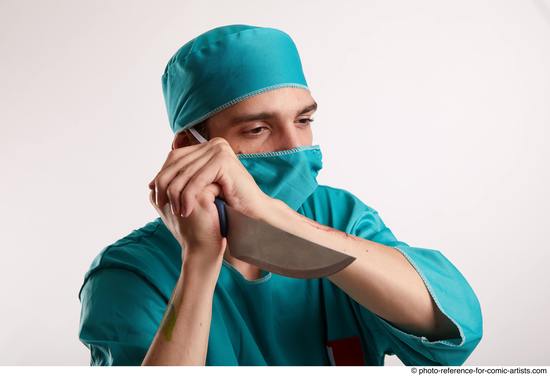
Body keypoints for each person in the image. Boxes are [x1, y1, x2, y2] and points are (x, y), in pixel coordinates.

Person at [77, 24, 483, 366]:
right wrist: (198, 263)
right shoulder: (129, 273)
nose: (295, 147)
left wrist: (280, 221)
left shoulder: (337, 215)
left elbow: (453, 326)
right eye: (257, 129)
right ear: (189, 149)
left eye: (304, 120)